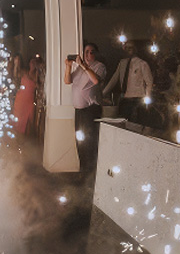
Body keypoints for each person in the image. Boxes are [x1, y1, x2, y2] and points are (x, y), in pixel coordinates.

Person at [66, 43, 107, 173]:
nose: (89, 54)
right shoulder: (79, 69)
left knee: (90, 142)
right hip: (79, 111)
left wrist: (83, 65)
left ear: (96, 53)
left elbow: (96, 81)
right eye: (86, 52)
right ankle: (83, 171)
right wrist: (68, 66)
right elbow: (67, 81)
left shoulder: (99, 66)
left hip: (91, 109)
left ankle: (91, 173)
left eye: (91, 52)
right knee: (80, 141)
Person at [104, 42, 154, 127]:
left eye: (130, 47)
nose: (128, 50)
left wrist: (147, 98)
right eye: (126, 48)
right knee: (125, 123)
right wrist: (103, 92)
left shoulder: (142, 64)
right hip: (125, 98)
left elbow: (149, 82)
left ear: (135, 49)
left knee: (136, 124)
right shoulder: (122, 63)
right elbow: (115, 78)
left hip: (138, 98)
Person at [12, 57, 42, 136]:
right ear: (29, 64)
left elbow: (38, 86)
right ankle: (17, 136)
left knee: (29, 118)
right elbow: (16, 74)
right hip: (21, 98)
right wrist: (16, 64)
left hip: (29, 99)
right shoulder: (24, 72)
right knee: (18, 117)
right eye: (31, 63)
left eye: (34, 63)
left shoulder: (37, 75)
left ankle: (27, 137)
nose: (33, 65)